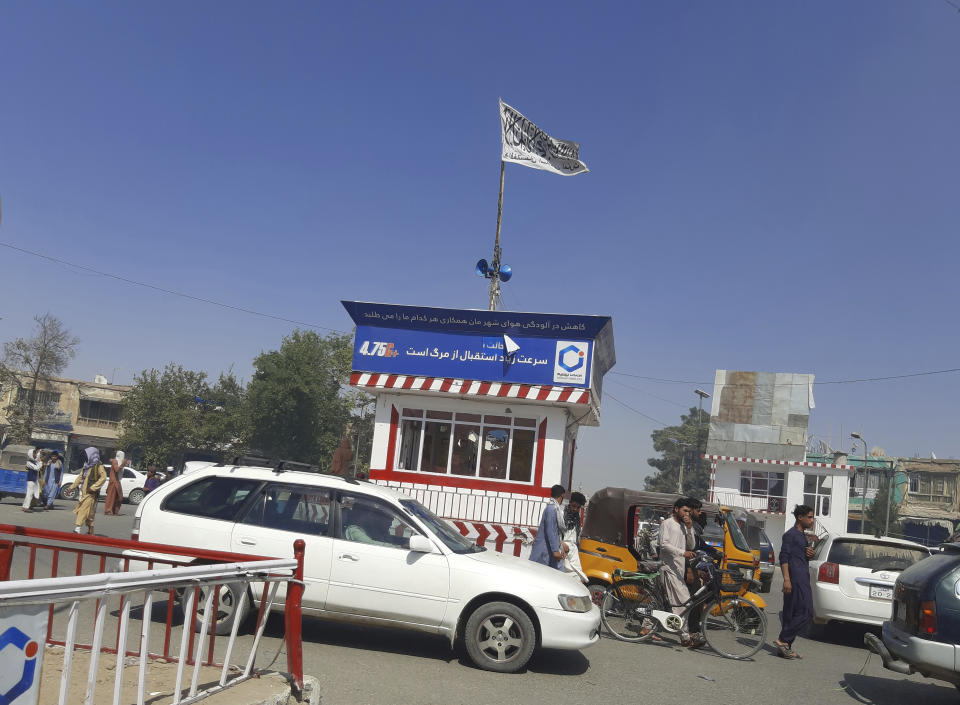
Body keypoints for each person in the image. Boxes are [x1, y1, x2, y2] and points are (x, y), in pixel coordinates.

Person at [775, 504, 817, 659]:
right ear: (800, 517)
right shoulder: (791, 535)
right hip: (795, 579)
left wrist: (808, 554)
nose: (812, 520)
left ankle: (785, 647)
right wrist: (786, 579)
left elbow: (798, 555)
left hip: (802, 577)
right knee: (807, 612)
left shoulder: (801, 536)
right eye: (810, 517)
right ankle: (782, 640)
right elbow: (784, 557)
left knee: (790, 613)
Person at [659, 497, 697, 646]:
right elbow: (664, 545)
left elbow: (691, 545)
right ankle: (684, 635)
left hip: (678, 569)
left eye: (689, 511)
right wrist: (682, 553)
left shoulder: (684, 526)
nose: (687, 513)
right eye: (685, 510)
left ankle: (646, 628)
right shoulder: (667, 524)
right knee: (684, 602)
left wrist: (689, 528)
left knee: (667, 603)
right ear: (676, 509)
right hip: (668, 568)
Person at [69, 447, 107, 534]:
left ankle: (77, 528)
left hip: (91, 493)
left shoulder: (98, 466)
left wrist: (93, 487)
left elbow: (103, 478)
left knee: (83, 509)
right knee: (89, 512)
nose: (86, 457)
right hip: (83, 492)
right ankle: (91, 529)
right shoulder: (86, 465)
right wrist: (71, 487)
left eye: (87, 455)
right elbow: (80, 477)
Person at [529, 484, 568, 569]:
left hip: (548, 550)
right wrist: (555, 551)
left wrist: (559, 547)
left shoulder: (554, 509)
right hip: (544, 550)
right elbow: (551, 531)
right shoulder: (551, 509)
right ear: (562, 496)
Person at [561, 491, 588, 583]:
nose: (575, 509)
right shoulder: (561, 515)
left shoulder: (577, 518)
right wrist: (561, 543)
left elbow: (575, 538)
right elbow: (554, 533)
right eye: (573, 506)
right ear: (570, 503)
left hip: (573, 551)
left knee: (579, 579)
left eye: (578, 507)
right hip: (562, 549)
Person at [104, 450, 127, 516]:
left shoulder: (119, 461)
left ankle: (115, 511)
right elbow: (116, 469)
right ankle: (108, 510)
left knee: (119, 497)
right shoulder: (115, 461)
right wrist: (123, 464)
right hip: (113, 482)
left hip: (117, 481)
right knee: (111, 496)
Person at [22, 448, 43, 512]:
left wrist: (39, 455)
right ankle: (26, 507)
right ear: (30, 454)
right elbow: (36, 468)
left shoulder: (34, 461)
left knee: (31, 494)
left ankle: (25, 506)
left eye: (35, 453)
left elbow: (38, 466)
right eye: (34, 453)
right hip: (31, 480)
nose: (35, 454)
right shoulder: (29, 462)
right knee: (29, 494)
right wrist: (40, 462)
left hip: (34, 479)